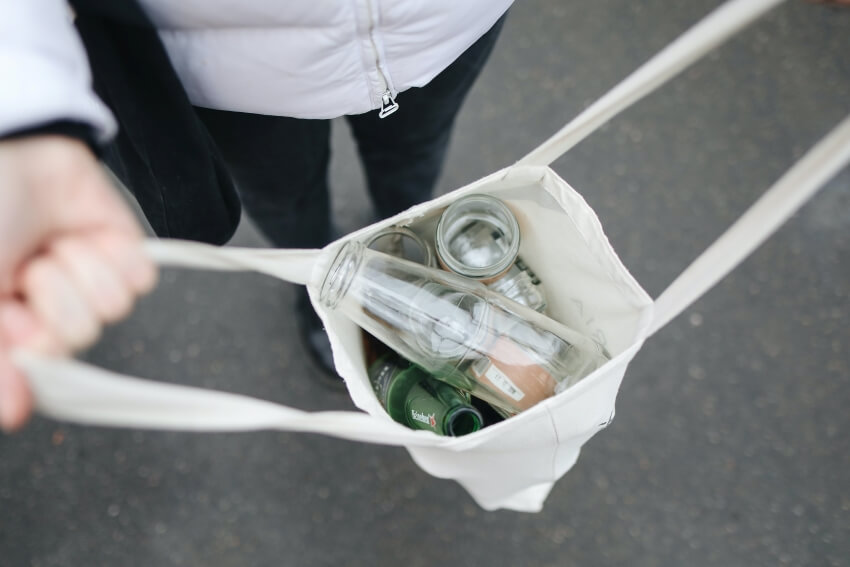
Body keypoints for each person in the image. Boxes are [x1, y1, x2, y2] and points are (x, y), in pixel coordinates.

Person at [0, 0, 512, 431]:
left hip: (445, 25)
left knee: (414, 166)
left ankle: (408, 247)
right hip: (232, 63)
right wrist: (24, 103)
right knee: (286, 201)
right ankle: (318, 279)